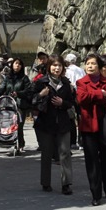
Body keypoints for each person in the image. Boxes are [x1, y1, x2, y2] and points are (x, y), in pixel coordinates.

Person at [32, 55, 76, 195]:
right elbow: (30, 100)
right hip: (45, 124)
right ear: (49, 67)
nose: (56, 68)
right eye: (54, 65)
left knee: (65, 153)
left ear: (63, 68)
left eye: (59, 66)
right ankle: (46, 182)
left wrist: (62, 103)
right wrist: (40, 95)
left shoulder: (66, 83)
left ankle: (66, 184)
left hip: (63, 123)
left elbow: (72, 103)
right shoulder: (41, 82)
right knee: (47, 153)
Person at [76, 53, 106, 206]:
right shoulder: (81, 82)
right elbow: (81, 99)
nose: (90, 66)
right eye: (88, 64)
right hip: (88, 126)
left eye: (93, 63)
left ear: (99, 66)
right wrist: (100, 94)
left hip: (104, 125)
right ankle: (96, 194)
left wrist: (97, 96)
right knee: (92, 161)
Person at [0, 57, 33, 153]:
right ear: (12, 65)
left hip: (20, 105)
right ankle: (12, 143)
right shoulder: (8, 77)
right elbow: (2, 87)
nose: (17, 65)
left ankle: (20, 143)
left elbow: (28, 90)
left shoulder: (24, 78)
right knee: (11, 124)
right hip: (9, 104)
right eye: (15, 63)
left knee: (19, 125)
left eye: (19, 64)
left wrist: (18, 93)